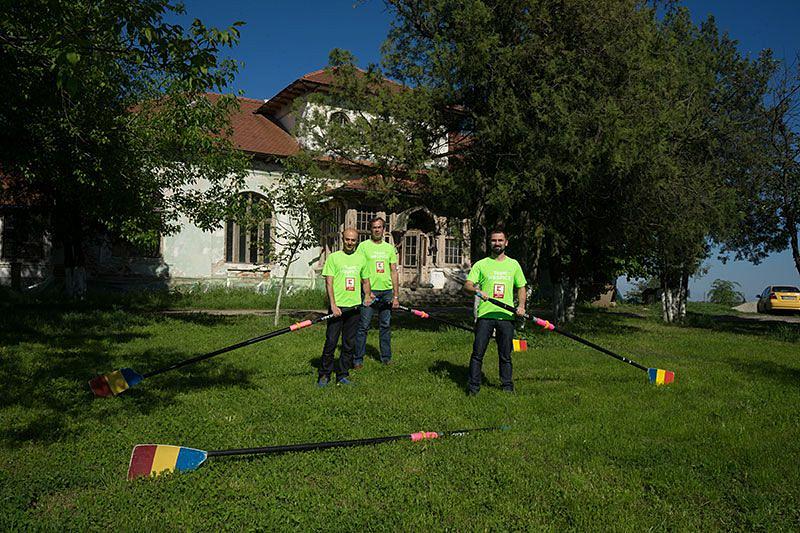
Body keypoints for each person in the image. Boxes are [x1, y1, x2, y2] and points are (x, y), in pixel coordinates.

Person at [463, 229, 527, 395]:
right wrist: (477, 290)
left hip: (506, 316)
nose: (497, 243)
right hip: (486, 315)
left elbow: (521, 287)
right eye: (493, 240)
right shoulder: (481, 264)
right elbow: (467, 285)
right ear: (489, 243)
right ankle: (473, 388)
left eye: (500, 240)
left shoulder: (513, 264)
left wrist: (521, 306)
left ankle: (507, 386)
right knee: (477, 353)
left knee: (505, 354)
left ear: (506, 242)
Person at [318, 228, 373, 387]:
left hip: (354, 309)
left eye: (353, 240)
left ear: (357, 241)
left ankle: (342, 374)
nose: (350, 242)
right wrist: (333, 305)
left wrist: (368, 296)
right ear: (343, 239)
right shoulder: (334, 258)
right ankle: (324, 374)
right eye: (347, 239)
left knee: (349, 344)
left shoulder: (362, 259)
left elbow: (366, 281)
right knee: (331, 342)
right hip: (337, 309)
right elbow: (329, 283)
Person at [354, 217, 399, 367]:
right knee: (364, 326)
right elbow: (358, 270)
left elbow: (393, 272)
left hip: (386, 291)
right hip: (369, 292)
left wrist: (396, 296)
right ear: (370, 230)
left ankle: (386, 357)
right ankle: (358, 359)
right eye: (374, 227)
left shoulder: (389, 248)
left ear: (384, 229)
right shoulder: (363, 247)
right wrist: (367, 292)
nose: (377, 230)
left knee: (385, 325)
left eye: (379, 227)